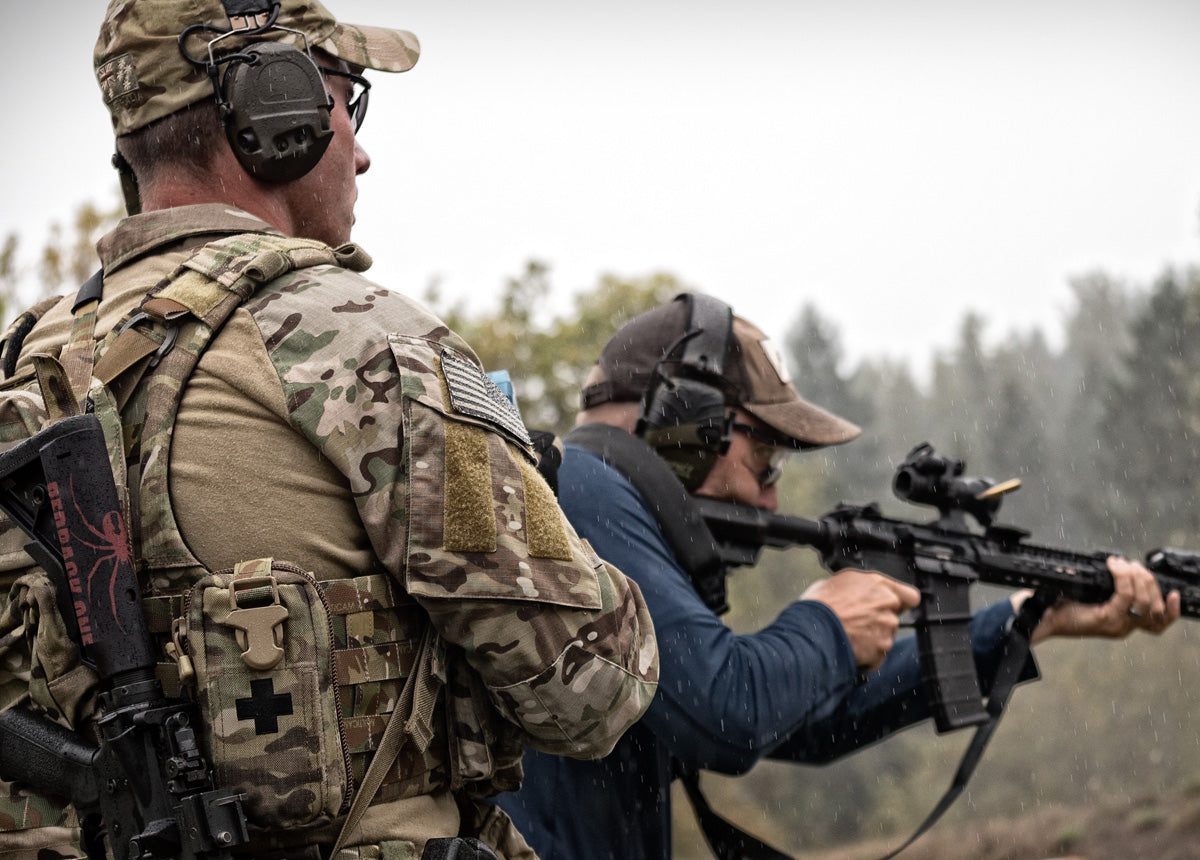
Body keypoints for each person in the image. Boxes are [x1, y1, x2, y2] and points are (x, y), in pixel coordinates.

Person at [0, 2, 657, 858]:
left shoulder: (22, 362)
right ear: (279, 112)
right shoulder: (359, 340)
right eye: (348, 99)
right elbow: (590, 689)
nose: (361, 148)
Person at [496, 292, 1181, 860]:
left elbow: (802, 726)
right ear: (686, 425)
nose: (768, 497)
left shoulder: (599, 516)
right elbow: (728, 714)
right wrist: (827, 622)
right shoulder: (577, 488)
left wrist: (1029, 621)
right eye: (763, 459)